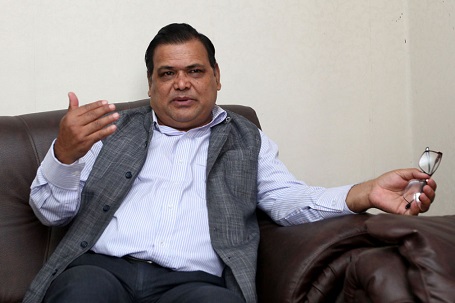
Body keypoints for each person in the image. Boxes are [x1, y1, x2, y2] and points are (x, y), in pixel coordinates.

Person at [24, 23, 437, 303]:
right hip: (101, 271)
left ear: (216, 77)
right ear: (150, 83)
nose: (181, 83)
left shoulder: (247, 139)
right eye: (167, 73)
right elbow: (50, 213)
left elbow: (289, 202)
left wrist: (365, 193)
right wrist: (64, 154)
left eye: (194, 71)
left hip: (193, 283)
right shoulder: (108, 128)